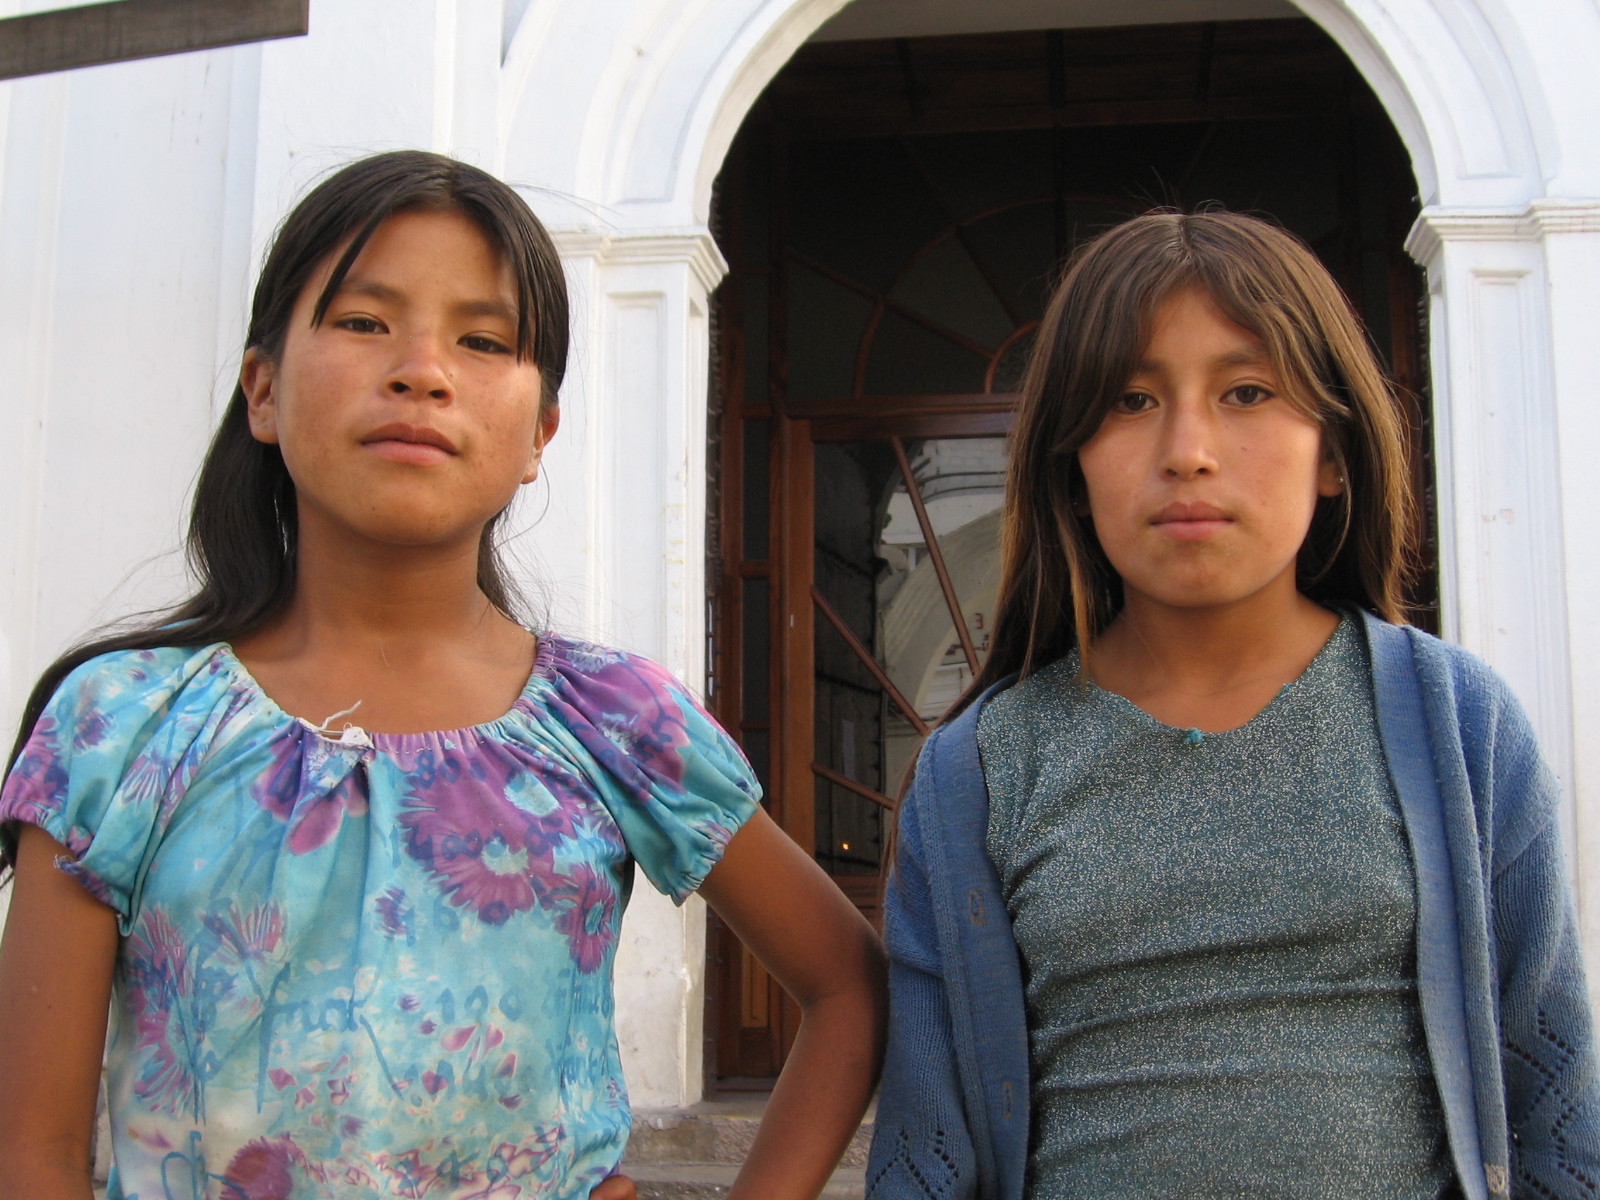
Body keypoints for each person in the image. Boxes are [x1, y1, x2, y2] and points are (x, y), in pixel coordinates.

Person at [0, 150, 886, 1200]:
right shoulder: (124, 729)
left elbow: (848, 988)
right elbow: (32, 1152)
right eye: (364, 321)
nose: (422, 370)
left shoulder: (613, 721)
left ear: (539, 433)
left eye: (483, 340)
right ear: (264, 390)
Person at [865, 211, 1600, 1199]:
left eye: (1247, 391)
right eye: (1129, 400)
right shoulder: (978, 776)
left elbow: (1559, 1121)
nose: (1188, 451)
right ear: (1070, 468)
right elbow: (923, 1152)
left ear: (1333, 451)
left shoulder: (1459, 726)